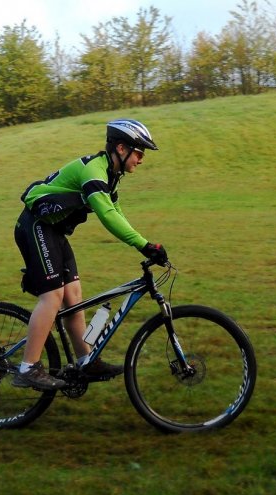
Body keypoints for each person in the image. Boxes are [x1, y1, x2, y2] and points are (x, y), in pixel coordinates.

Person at [12, 119, 168, 390]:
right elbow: (107, 216)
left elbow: (116, 212)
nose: (142, 160)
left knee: (73, 296)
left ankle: (86, 361)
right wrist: (143, 245)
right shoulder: (95, 172)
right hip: (36, 226)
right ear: (121, 148)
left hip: (54, 231)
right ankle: (28, 368)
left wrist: (146, 243)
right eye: (140, 153)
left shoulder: (110, 175)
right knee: (53, 296)